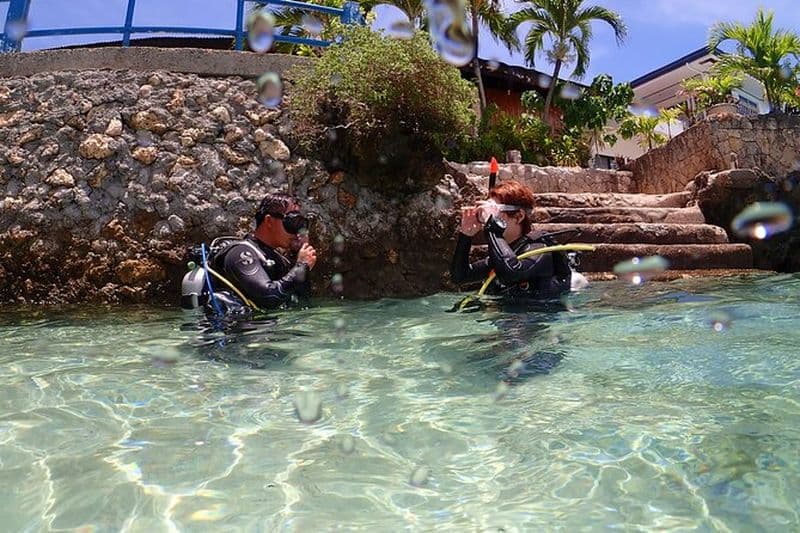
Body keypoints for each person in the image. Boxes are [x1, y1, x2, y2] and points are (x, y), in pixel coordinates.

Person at [183, 193, 318, 314]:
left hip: (262, 335)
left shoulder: (278, 259)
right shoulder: (241, 253)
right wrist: (301, 266)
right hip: (234, 337)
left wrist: (298, 258)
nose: (296, 230)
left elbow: (301, 304)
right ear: (269, 221)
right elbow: (269, 297)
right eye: (292, 222)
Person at [451, 180, 572, 301]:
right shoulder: (503, 254)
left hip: (538, 318)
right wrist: (466, 235)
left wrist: (492, 229)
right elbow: (459, 277)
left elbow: (510, 273)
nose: (490, 218)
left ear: (519, 216)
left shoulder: (540, 251)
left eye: (495, 211)